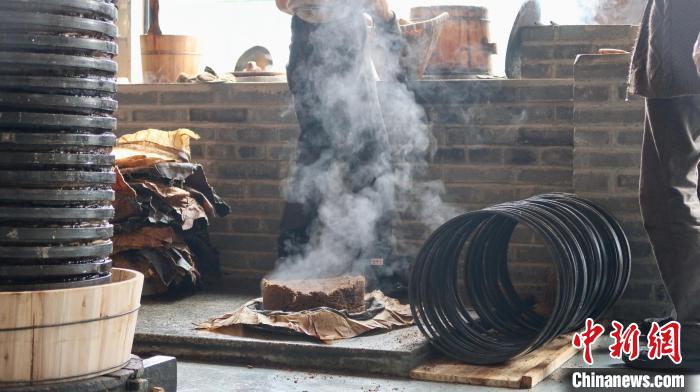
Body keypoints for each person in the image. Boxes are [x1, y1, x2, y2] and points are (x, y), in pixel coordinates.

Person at [274, 0, 405, 284]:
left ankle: (289, 265)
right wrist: (388, 22)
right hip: (333, 43)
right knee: (371, 159)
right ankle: (376, 267)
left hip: (306, 46)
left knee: (314, 158)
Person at [628, 0, 700, 369]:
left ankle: (694, 332)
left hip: (683, 60)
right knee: (672, 192)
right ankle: (689, 316)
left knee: (668, 195)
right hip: (676, 57)